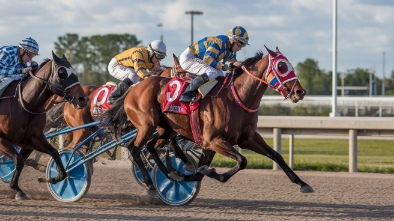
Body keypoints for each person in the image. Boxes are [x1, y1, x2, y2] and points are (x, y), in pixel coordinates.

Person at [178, 26, 249, 102]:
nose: (240, 48)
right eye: (240, 44)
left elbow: (232, 65)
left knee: (221, 75)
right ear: (232, 40)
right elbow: (208, 59)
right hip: (189, 57)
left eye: (243, 45)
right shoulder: (219, 42)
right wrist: (228, 66)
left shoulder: (231, 51)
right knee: (212, 72)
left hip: (200, 59)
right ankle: (186, 94)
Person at [107, 40, 167, 104]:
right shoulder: (139, 54)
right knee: (134, 75)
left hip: (130, 68)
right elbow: (139, 71)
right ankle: (113, 96)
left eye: (162, 57)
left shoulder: (153, 60)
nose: (160, 59)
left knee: (139, 80)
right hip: (116, 65)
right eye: (158, 56)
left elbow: (159, 70)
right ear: (151, 52)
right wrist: (151, 77)